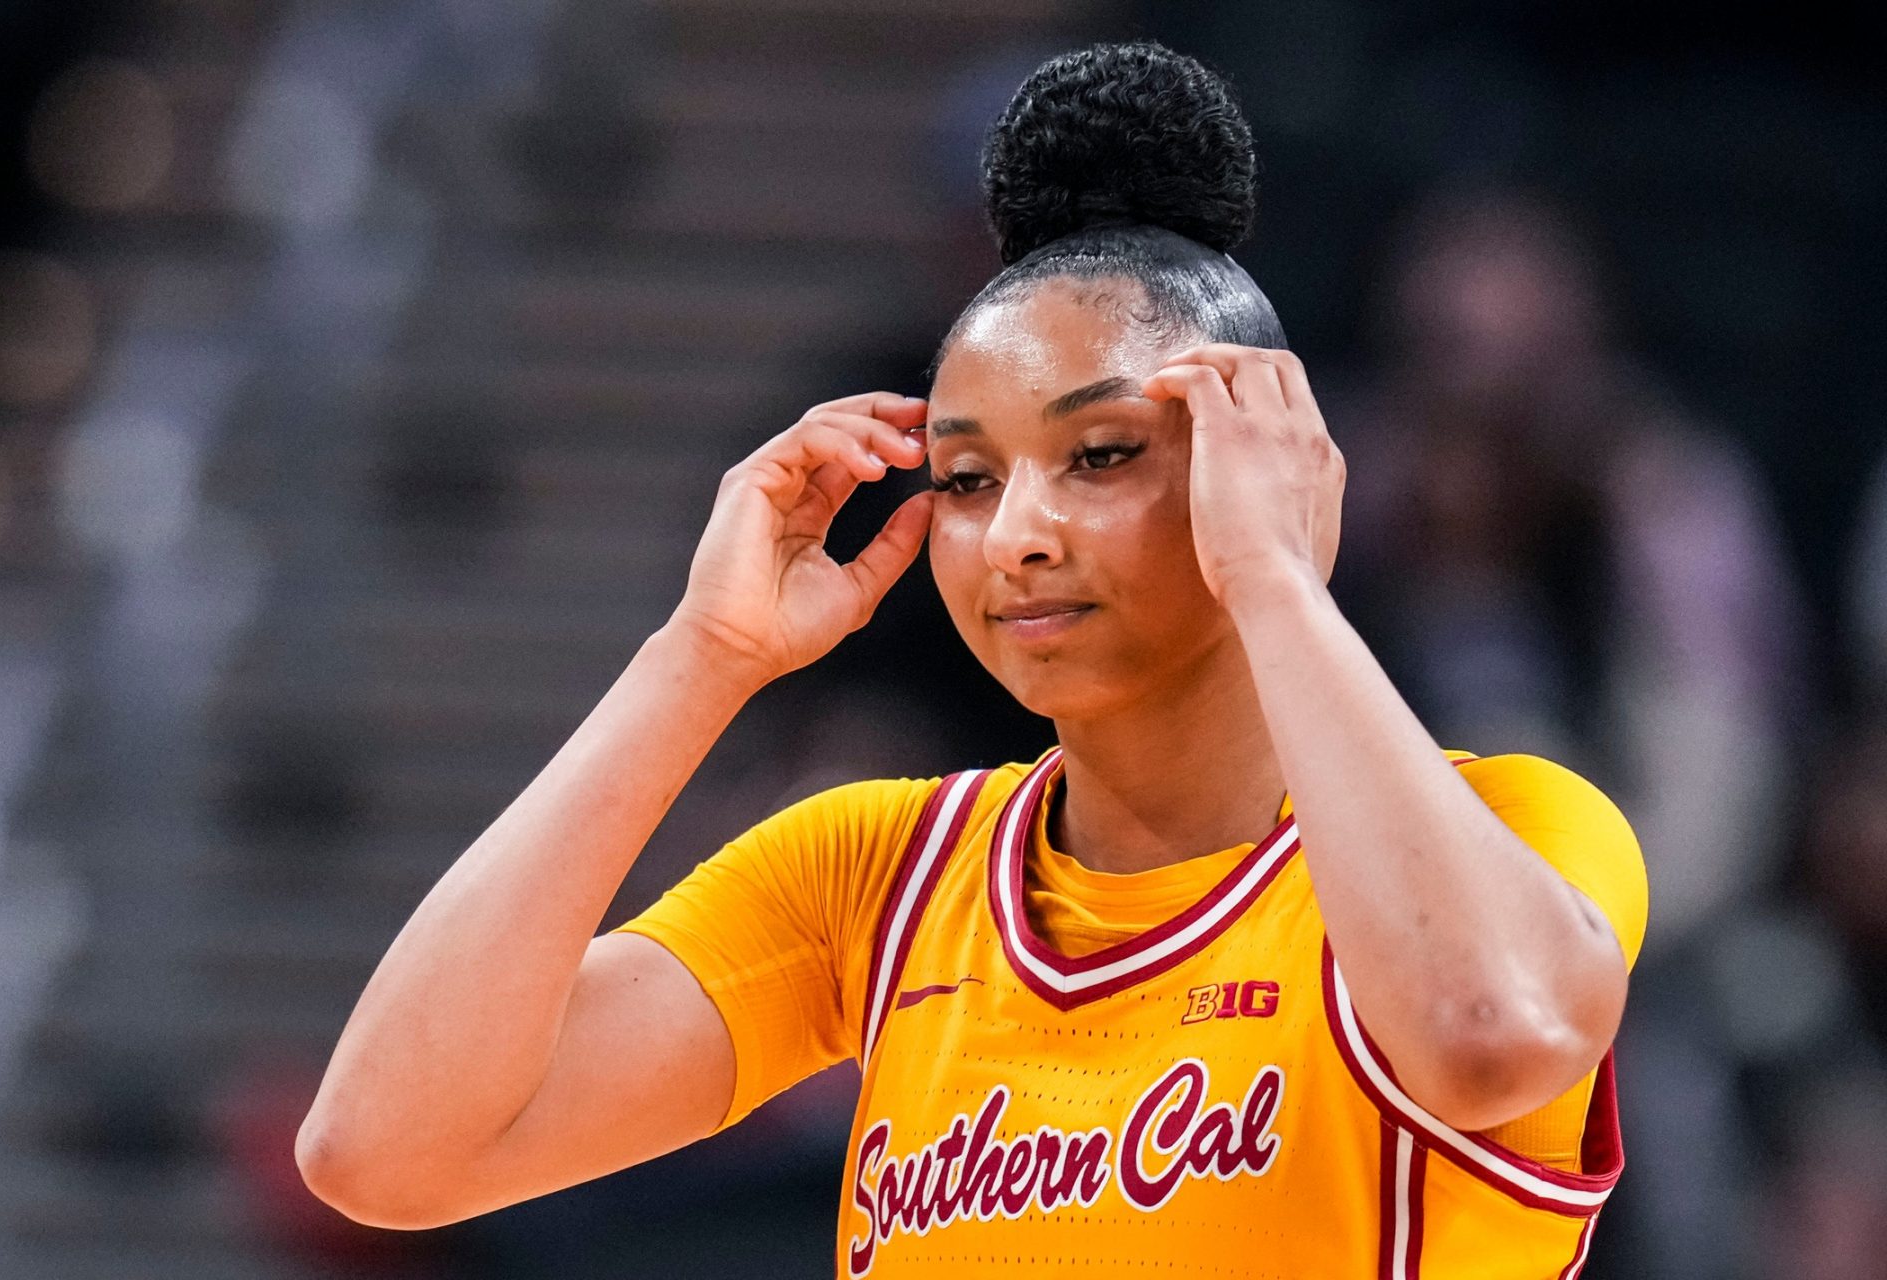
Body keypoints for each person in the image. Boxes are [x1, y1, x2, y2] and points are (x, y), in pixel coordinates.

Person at [296, 42, 1648, 1278]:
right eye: (963, 477)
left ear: (1273, 463)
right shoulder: (876, 879)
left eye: (1100, 455)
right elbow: (382, 1150)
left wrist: (1280, 579)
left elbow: (1492, 1035)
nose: (1018, 534)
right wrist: (696, 661)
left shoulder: (1520, 828)